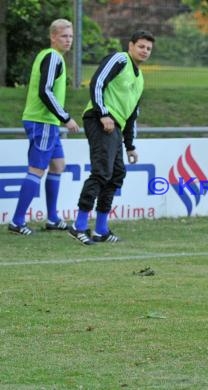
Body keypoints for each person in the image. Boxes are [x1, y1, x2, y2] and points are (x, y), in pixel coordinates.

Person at [68, 30, 155, 245]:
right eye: (141, 46)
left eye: (149, 49)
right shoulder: (119, 59)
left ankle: (101, 230)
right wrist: (103, 113)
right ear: (131, 45)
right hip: (100, 120)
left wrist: (130, 146)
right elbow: (97, 83)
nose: (145, 51)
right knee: (101, 172)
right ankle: (78, 226)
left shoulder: (140, 78)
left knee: (116, 174)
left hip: (116, 126)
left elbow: (132, 114)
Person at [8, 19, 80, 236]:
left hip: (48, 123)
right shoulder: (52, 57)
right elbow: (45, 91)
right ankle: (17, 221)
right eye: (64, 36)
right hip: (43, 121)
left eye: (70, 36)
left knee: (58, 165)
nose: (68, 40)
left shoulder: (51, 57)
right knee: (37, 169)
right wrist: (66, 117)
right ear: (53, 37)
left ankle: (52, 218)